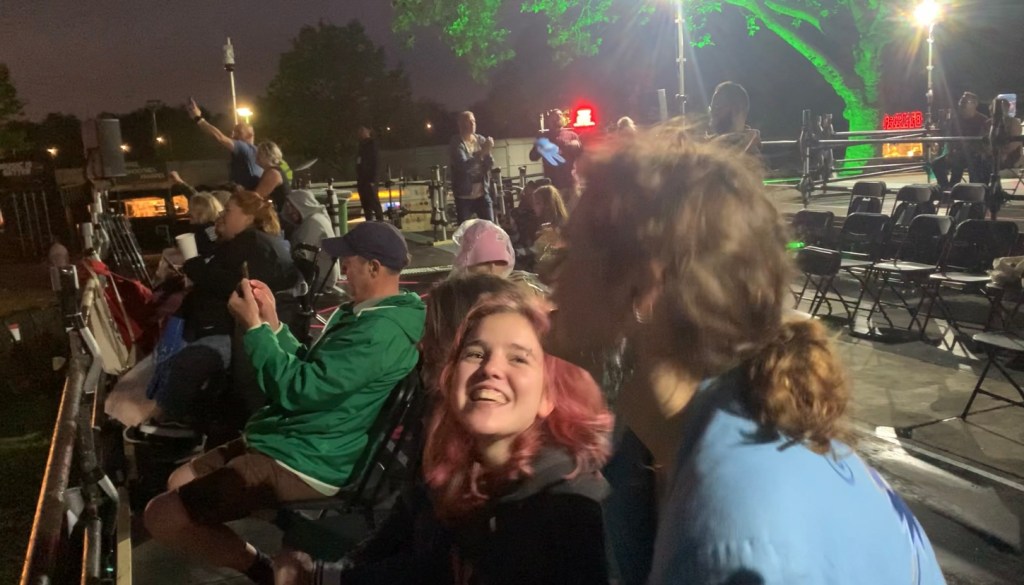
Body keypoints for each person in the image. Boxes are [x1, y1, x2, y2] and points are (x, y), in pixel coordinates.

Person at [550, 131, 945, 584]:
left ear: (640, 288)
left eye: (571, 250)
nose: (549, 270)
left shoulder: (730, 533)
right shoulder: (716, 447)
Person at [143, 221, 425, 585]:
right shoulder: (367, 314)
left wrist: (253, 328)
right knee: (179, 480)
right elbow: (314, 371)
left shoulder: (379, 333)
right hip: (295, 438)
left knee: (162, 516)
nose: (342, 269)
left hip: (309, 459)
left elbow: (298, 390)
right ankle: (268, 556)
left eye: (349, 261)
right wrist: (273, 324)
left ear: (373, 267)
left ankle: (261, 568)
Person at [274, 293, 613, 585]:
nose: (490, 369)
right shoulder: (460, 480)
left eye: (518, 358)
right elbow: (415, 572)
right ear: (450, 381)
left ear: (548, 397)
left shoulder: (566, 507)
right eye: (476, 354)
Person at [187, 98, 263, 190]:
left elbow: (219, 137)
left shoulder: (244, 147)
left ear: (249, 135)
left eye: (238, 132)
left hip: (245, 198)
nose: (233, 135)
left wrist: (198, 118)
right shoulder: (258, 151)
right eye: (233, 132)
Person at [283, 190, 340, 291]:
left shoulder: (312, 223)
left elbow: (301, 256)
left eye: (293, 206)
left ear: (303, 204)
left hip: (320, 279)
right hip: (321, 276)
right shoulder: (316, 218)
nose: (289, 211)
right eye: (288, 207)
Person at [931, 91, 989, 190]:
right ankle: (945, 188)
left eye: (965, 102)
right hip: (957, 153)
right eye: (961, 102)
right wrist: (950, 151)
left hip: (976, 155)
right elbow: (950, 138)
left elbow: (984, 142)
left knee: (963, 162)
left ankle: (968, 191)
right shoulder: (955, 120)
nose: (961, 105)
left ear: (975, 104)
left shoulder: (983, 120)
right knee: (937, 163)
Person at [529, 109, 583, 210]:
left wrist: (578, 146)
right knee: (557, 215)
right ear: (549, 121)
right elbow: (533, 157)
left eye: (559, 115)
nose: (557, 118)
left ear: (562, 118)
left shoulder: (572, 135)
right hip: (554, 186)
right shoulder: (543, 137)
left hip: (572, 183)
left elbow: (582, 156)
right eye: (553, 116)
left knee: (575, 213)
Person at [450, 111, 495, 224]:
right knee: (464, 231)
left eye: (473, 121)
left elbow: (489, 164)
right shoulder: (456, 143)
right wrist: (482, 152)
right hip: (464, 196)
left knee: (490, 227)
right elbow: (463, 167)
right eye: (468, 121)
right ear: (460, 124)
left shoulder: (480, 140)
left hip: (482, 193)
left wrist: (489, 151)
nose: (472, 124)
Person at [706, 81, 761, 155]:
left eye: (717, 106)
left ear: (737, 110)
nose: (712, 112)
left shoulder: (751, 156)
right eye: (711, 107)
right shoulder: (708, 144)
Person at [253, 141, 291, 214]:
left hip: (282, 216)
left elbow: (257, 197)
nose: (256, 155)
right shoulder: (271, 171)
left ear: (268, 155)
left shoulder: (273, 173)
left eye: (260, 153)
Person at [356, 126, 384, 222]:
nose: (360, 132)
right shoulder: (361, 145)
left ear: (368, 131)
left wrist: (373, 179)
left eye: (362, 130)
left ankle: (380, 223)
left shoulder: (372, 144)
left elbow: (376, 162)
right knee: (366, 205)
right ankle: (370, 223)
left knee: (374, 203)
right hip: (362, 181)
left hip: (369, 180)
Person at [187, 192, 223, 257]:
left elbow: (216, 246)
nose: (188, 212)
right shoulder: (212, 227)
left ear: (201, 213)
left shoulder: (208, 228)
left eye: (191, 209)